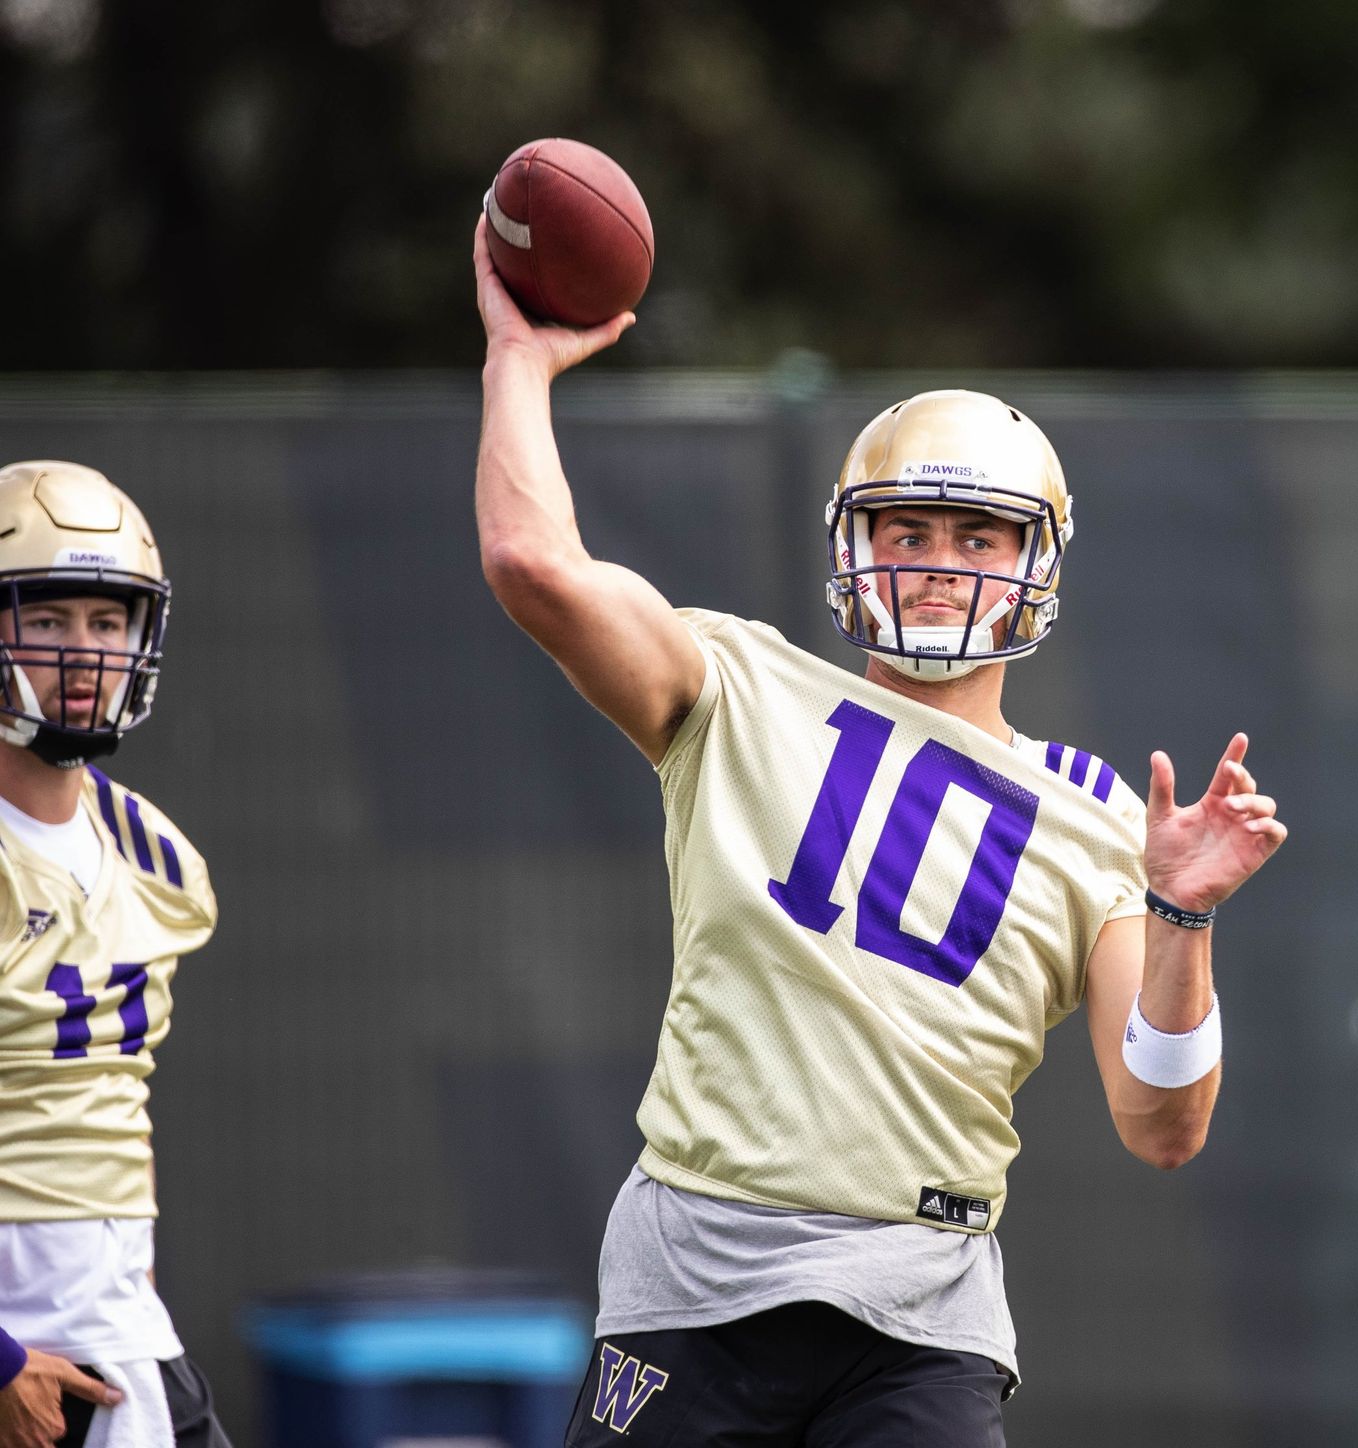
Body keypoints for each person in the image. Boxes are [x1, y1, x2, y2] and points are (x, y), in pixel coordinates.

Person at [472, 221, 1287, 1447]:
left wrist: (1181, 914)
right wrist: (519, 363)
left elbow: (1161, 1123)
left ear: (1037, 563)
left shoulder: (1101, 813)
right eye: (908, 529)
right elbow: (534, 562)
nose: (940, 565)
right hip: (695, 1273)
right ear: (854, 544)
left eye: (980, 537)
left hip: (923, 1311)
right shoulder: (734, 683)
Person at [0, 461, 229, 1448]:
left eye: (108, 620)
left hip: (126, 1339)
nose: (85, 653)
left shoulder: (159, 855)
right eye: (48, 621)